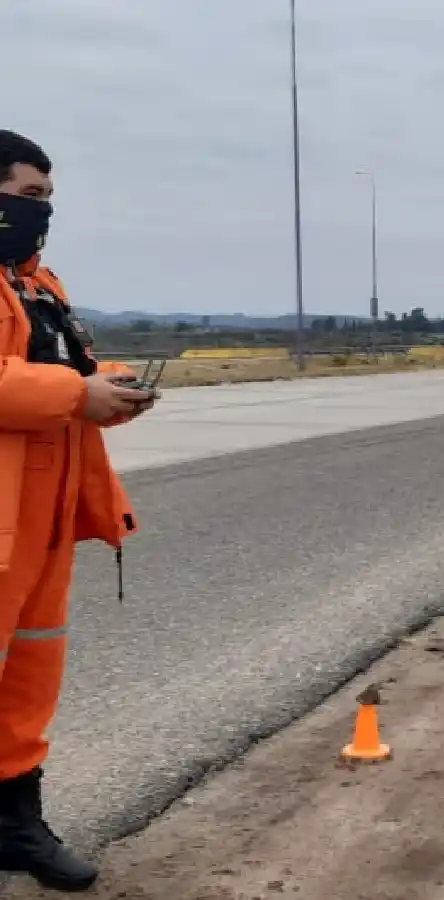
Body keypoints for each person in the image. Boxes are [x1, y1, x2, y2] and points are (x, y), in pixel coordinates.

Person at [0, 129, 156, 892]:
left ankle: (14, 824)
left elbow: (70, 368)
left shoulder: (41, 287)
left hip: (46, 516)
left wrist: (111, 388)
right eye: (29, 196)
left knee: (31, 673)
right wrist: (74, 394)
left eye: (48, 199)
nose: (43, 212)